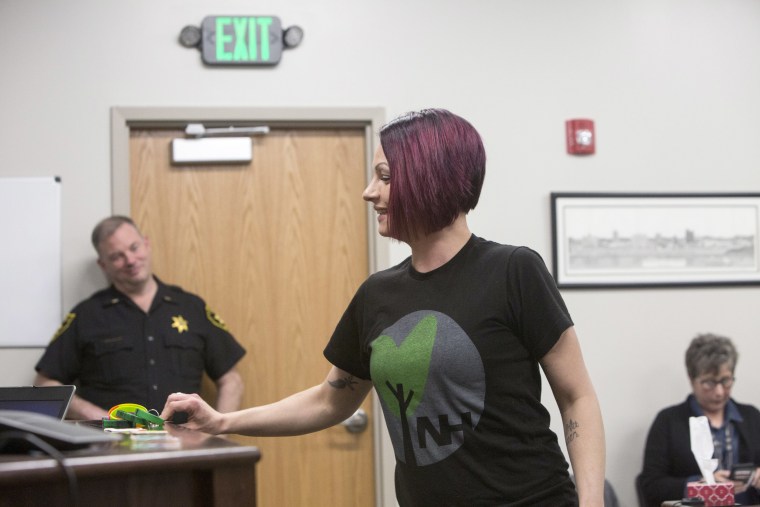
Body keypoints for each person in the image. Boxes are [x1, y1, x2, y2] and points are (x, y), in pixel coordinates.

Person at [161, 108, 606, 506]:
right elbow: (328, 401)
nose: (368, 192)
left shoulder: (513, 271)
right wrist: (221, 421)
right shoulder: (377, 294)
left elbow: (576, 395)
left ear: (432, 177)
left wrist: (591, 503)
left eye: (385, 176)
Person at [34, 216, 246, 420]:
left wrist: (218, 432)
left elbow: (231, 380)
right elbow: (46, 385)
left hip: (186, 447)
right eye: (117, 256)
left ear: (146, 244)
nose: (130, 260)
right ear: (103, 264)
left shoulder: (192, 307)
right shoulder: (86, 315)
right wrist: (103, 419)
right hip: (112, 447)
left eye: (134, 248)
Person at [639, 333, 760, 507]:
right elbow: (650, 485)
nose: (719, 392)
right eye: (709, 383)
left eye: (726, 381)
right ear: (691, 379)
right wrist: (701, 484)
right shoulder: (668, 421)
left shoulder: (752, 417)